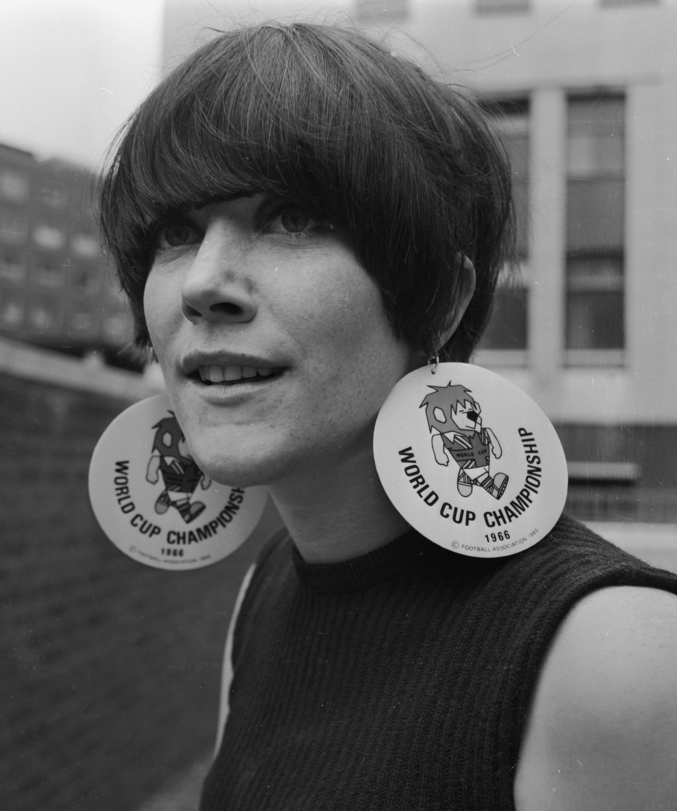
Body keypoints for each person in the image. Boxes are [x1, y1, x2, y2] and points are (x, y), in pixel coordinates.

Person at [100, 22, 677, 811]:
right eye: (176, 231)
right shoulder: (262, 592)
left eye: (292, 218)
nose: (204, 282)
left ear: (441, 298)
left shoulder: (614, 657)